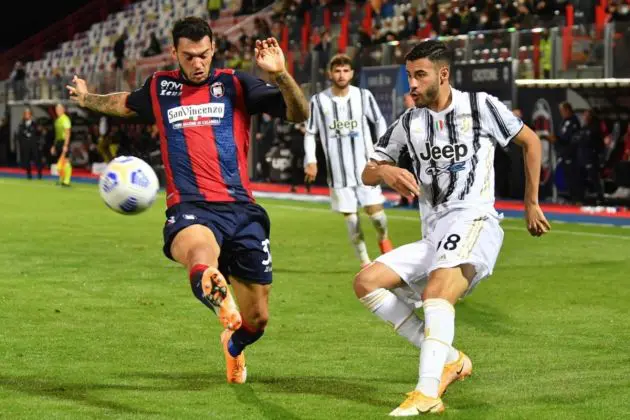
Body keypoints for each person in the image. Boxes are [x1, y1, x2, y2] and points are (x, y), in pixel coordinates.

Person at [66, 17, 308, 384]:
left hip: (242, 211)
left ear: (214, 50)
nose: (198, 63)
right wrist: (86, 98)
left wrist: (282, 76)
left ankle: (234, 342)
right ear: (174, 53)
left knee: (257, 321)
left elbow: (298, 113)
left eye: (204, 55)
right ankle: (219, 299)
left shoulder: (235, 83)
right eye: (190, 56)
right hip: (191, 208)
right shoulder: (160, 87)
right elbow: (124, 104)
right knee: (200, 255)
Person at [353, 40, 550, 415]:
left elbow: (530, 141)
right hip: (435, 232)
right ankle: (452, 359)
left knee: (437, 290)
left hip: (475, 219)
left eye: (420, 75)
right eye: (409, 76)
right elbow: (368, 171)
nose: (411, 84)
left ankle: (427, 392)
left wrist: (531, 202)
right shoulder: (409, 122)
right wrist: (386, 170)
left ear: (443, 75)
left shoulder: (480, 105)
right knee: (366, 282)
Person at [304, 53, 393, 268]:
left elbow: (379, 121)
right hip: (338, 172)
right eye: (337, 70)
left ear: (352, 73)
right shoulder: (318, 101)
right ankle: (365, 262)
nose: (341, 75)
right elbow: (310, 132)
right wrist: (311, 160)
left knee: (378, 217)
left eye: (345, 70)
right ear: (330, 73)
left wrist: (381, 151)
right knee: (352, 220)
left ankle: (383, 239)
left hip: (366, 168)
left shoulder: (363, 96)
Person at [16, 108, 43, 179]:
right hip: (26, 145)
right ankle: (29, 174)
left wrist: (40, 130)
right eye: (25, 114)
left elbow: (39, 133)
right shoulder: (21, 124)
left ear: (31, 115)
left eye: (28, 114)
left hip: (34, 145)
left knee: (37, 158)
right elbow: (20, 135)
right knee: (26, 159)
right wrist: (22, 144)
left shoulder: (35, 124)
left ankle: (39, 173)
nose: (27, 115)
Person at [50, 103, 72, 187]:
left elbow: (68, 133)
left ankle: (67, 181)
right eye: (56, 109)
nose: (57, 111)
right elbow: (57, 134)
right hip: (58, 142)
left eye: (59, 109)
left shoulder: (66, 119)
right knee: (60, 163)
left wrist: (66, 145)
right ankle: (62, 179)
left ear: (63, 110)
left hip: (64, 142)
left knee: (65, 161)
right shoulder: (57, 120)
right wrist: (54, 146)